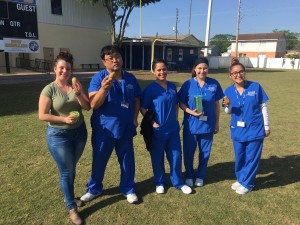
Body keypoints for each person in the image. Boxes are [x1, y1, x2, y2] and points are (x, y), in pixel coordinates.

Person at [80, 45, 142, 204]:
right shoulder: (99, 78)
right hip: (104, 129)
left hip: (125, 128)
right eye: (111, 58)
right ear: (104, 61)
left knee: (127, 161)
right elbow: (94, 104)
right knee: (99, 160)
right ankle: (94, 189)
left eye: (118, 56)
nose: (115, 60)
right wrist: (104, 89)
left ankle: (128, 189)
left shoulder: (130, 78)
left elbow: (136, 99)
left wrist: (135, 119)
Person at [38, 52, 90, 225]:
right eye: (61, 67)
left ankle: (70, 198)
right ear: (55, 69)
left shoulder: (75, 86)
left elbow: (87, 107)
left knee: (71, 168)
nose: (64, 71)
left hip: (79, 133)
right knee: (67, 171)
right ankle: (72, 208)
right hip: (59, 136)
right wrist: (63, 119)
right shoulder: (49, 89)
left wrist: (80, 93)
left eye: (68, 68)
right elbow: (42, 115)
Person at [140, 59, 192, 195]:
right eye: (159, 70)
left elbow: (176, 103)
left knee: (175, 155)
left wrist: (175, 117)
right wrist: (153, 123)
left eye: (164, 69)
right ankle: (159, 182)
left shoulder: (172, 86)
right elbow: (143, 108)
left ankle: (178, 182)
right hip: (157, 130)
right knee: (157, 157)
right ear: (153, 71)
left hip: (172, 129)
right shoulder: (150, 89)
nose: (162, 72)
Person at [223, 59, 270, 195]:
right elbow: (228, 111)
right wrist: (228, 106)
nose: (238, 75)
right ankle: (241, 179)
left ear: (245, 72)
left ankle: (248, 184)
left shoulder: (255, 87)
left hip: (255, 128)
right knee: (240, 157)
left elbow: (263, 106)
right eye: (235, 73)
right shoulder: (228, 90)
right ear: (230, 75)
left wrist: (266, 126)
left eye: (241, 71)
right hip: (237, 130)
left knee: (252, 157)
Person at [178, 57, 224, 187]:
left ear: (207, 69)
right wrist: (190, 112)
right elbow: (180, 102)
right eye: (199, 68)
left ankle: (200, 176)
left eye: (204, 68)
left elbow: (216, 105)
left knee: (205, 152)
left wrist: (217, 123)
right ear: (194, 69)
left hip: (208, 125)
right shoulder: (188, 84)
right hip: (191, 125)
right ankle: (189, 175)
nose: (202, 71)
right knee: (188, 152)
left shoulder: (214, 83)